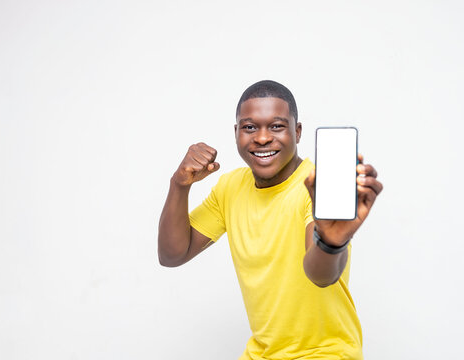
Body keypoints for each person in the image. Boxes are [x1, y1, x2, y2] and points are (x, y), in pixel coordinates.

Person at [158, 80, 383, 360]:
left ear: (297, 131)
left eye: (276, 126)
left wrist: (330, 242)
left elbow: (321, 275)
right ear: (236, 132)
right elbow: (172, 254)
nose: (262, 138)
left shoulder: (315, 184)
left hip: (324, 354)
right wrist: (179, 185)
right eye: (250, 127)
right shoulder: (230, 187)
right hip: (261, 354)